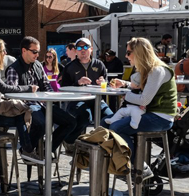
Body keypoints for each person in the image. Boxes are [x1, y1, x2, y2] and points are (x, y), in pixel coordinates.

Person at [103, 37, 177, 178]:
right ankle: (118, 163)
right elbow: (144, 88)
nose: (126, 56)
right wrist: (125, 84)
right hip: (149, 114)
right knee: (105, 122)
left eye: (129, 52)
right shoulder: (150, 70)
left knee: (116, 127)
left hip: (160, 118)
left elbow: (145, 99)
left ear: (139, 53)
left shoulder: (157, 70)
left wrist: (125, 95)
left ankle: (137, 167)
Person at [6, 37, 75, 159]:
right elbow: (12, 91)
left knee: (70, 122)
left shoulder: (38, 65)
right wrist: (29, 89)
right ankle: (27, 150)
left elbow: (46, 85)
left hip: (43, 104)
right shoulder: (14, 69)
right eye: (34, 52)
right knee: (43, 123)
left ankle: (45, 149)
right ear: (24, 51)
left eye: (38, 52)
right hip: (26, 106)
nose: (37, 55)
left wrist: (49, 95)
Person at [59, 37, 113, 149]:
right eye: (79, 47)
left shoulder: (99, 65)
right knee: (85, 117)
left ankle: (101, 145)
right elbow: (63, 88)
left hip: (97, 100)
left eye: (85, 47)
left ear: (91, 49)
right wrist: (78, 83)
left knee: (111, 117)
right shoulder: (69, 67)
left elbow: (106, 84)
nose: (82, 50)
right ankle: (69, 140)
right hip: (77, 101)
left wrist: (103, 83)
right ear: (76, 51)